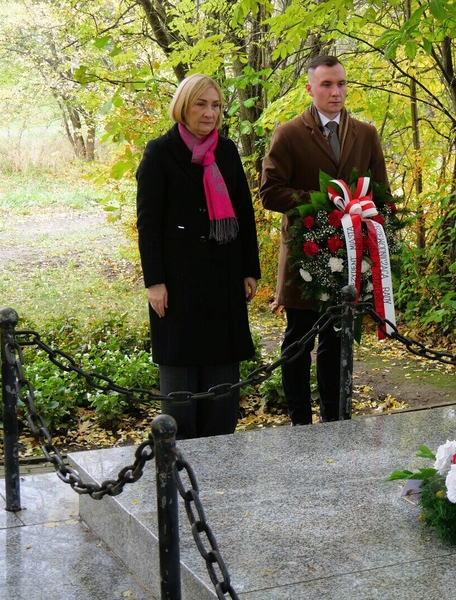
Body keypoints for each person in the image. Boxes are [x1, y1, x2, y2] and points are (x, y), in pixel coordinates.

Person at [260, 56, 389, 425]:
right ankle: (300, 423)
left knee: (337, 339)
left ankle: (335, 420)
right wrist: (322, 202)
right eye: (327, 85)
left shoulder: (365, 133)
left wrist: (373, 220)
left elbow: (381, 192)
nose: (336, 92)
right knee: (298, 339)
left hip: (350, 253)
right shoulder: (289, 133)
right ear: (310, 89)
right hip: (305, 252)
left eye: (341, 84)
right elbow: (270, 192)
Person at [136, 74, 261, 439]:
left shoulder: (227, 150)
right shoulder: (159, 152)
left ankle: (221, 459)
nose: (210, 113)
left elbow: (244, 212)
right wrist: (154, 282)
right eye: (201, 104)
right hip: (178, 284)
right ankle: (178, 462)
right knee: (181, 394)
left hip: (224, 279)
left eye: (216, 105)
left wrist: (249, 269)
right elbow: (148, 223)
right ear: (183, 106)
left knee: (222, 397)